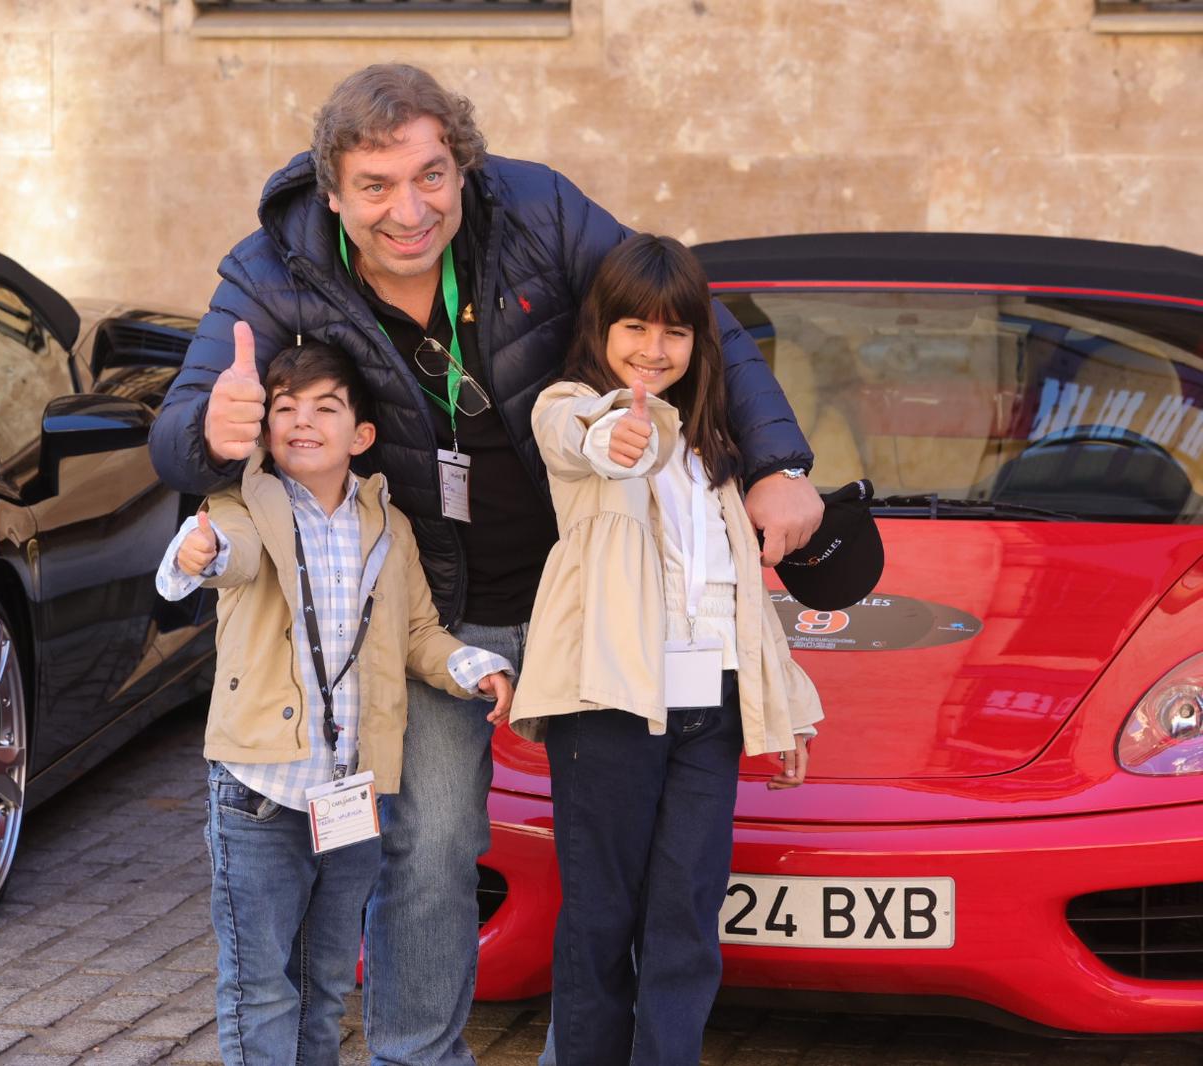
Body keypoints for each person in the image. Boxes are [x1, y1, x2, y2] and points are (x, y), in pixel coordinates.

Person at [150, 63, 823, 1065]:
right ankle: (416, 1056)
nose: (408, 209)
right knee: (430, 850)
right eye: (375, 186)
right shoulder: (273, 271)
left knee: (614, 865)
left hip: (582, 596)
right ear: (331, 191)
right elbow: (176, 438)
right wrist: (212, 429)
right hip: (428, 614)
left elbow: (687, 315)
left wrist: (776, 463)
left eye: (430, 175)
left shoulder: (538, 212)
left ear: (462, 166)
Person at [155, 332, 515, 1066]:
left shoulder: (388, 525)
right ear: (265, 429)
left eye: (325, 407)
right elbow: (226, 555)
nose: (303, 422)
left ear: (362, 435)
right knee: (260, 987)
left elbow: (418, 633)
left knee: (323, 985)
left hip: (351, 796)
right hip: (259, 791)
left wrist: (471, 666)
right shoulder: (241, 505)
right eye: (285, 408)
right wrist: (198, 553)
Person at [510, 234, 823, 1065]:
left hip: (709, 707)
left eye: (674, 332)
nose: (653, 349)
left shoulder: (717, 448)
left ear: (696, 340)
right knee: (600, 919)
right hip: (609, 703)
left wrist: (786, 708)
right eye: (635, 328)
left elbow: (741, 595)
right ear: (600, 327)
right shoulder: (572, 407)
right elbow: (579, 433)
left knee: (686, 919)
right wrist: (614, 434)